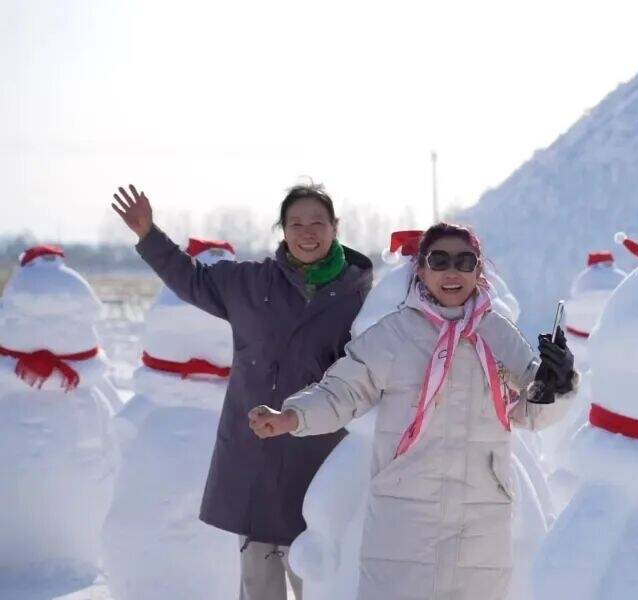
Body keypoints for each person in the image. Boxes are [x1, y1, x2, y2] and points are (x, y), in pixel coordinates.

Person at [248, 222, 577, 600]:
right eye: (439, 261)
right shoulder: (395, 334)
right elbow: (341, 391)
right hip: (404, 516)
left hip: (480, 518)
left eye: (464, 261)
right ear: (421, 270)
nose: (451, 272)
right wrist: (291, 416)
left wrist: (558, 382)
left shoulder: (498, 335)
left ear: (477, 271)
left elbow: (529, 412)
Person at [111, 182, 373, 600]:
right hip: (256, 450)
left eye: (317, 222)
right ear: (282, 230)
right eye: (296, 223)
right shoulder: (250, 283)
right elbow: (190, 278)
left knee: (320, 576)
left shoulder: (359, 294)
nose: (307, 232)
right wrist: (148, 235)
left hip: (321, 454)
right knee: (258, 580)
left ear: (335, 227)